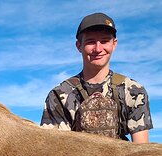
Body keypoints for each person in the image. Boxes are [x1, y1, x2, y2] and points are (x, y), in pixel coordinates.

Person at [40, 12, 153, 143]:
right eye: (91, 42)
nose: (98, 49)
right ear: (79, 46)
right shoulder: (59, 95)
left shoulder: (133, 90)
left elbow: (140, 151)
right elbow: (56, 147)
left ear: (114, 44)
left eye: (105, 41)